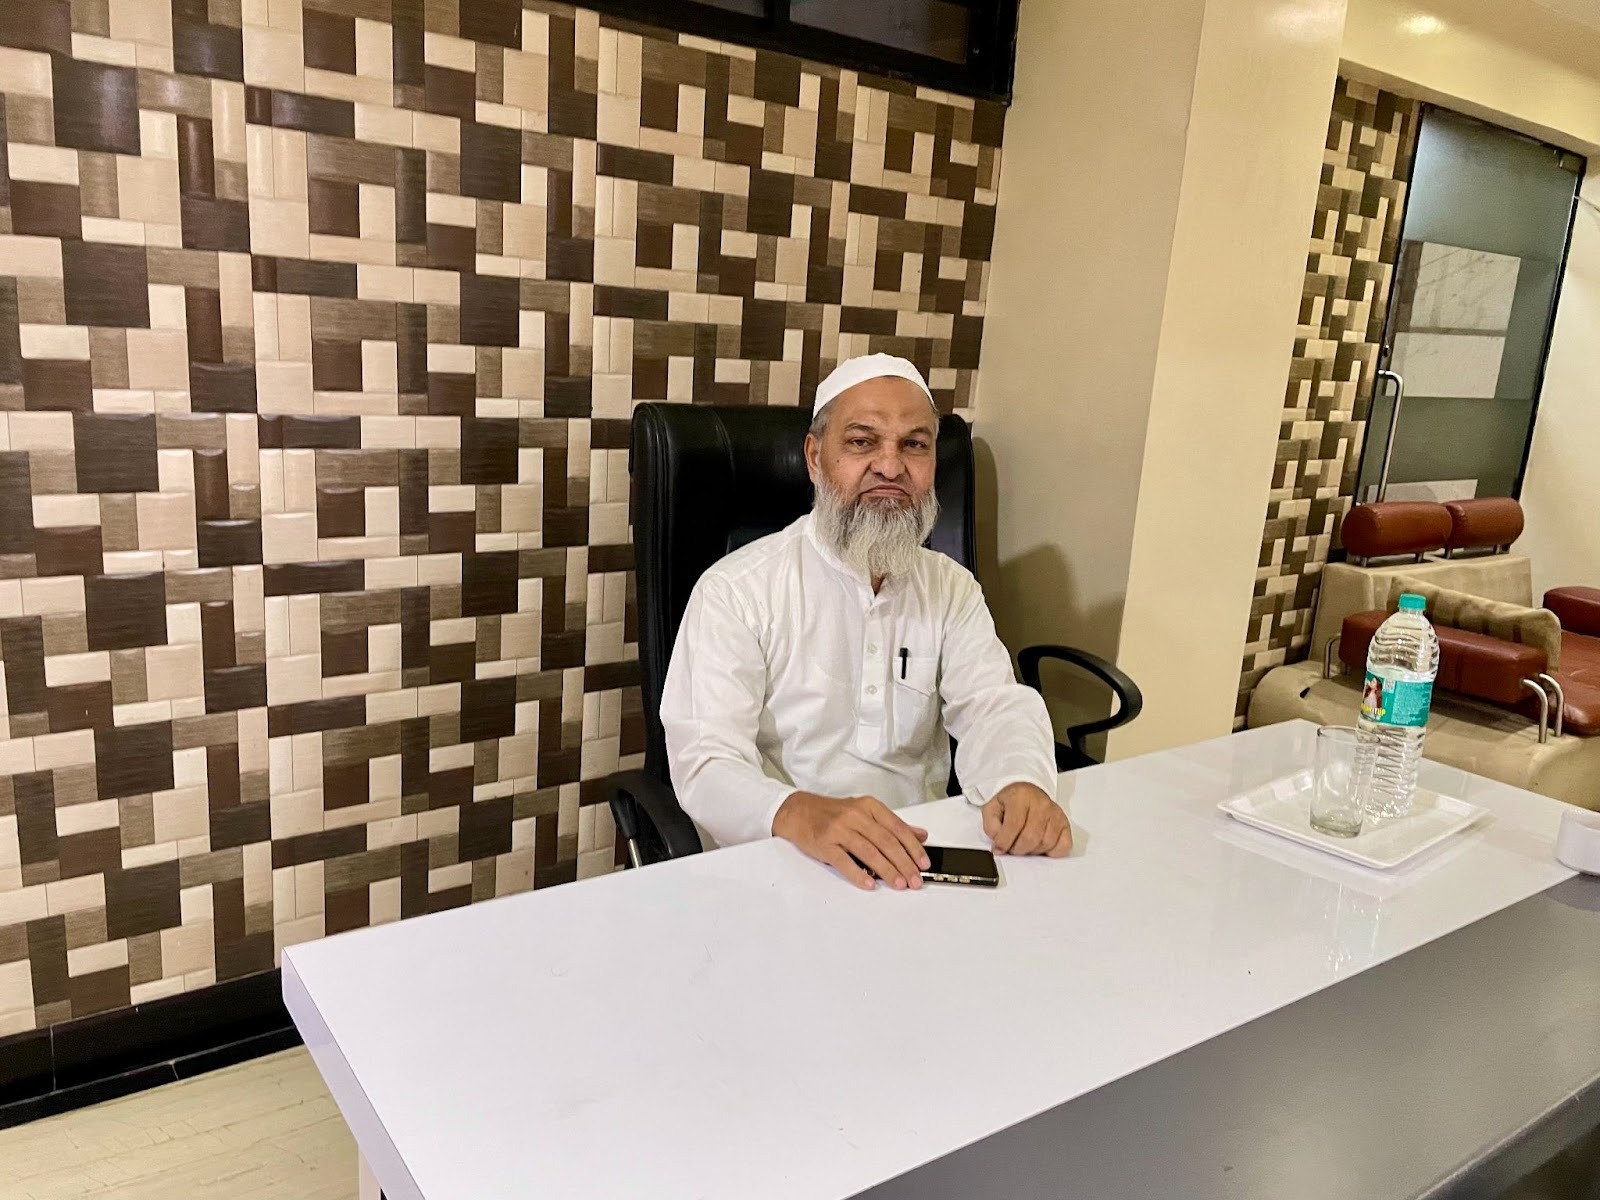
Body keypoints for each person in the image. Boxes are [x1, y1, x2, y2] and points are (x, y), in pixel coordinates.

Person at [659, 353, 1070, 892]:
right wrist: (798, 811)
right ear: (814, 457)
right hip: (779, 865)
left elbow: (993, 705)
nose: (891, 467)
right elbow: (705, 760)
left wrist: (1018, 781)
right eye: (862, 442)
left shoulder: (950, 588)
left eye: (914, 445)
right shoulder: (736, 591)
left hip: (919, 863)